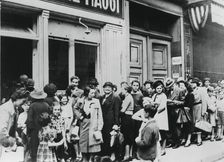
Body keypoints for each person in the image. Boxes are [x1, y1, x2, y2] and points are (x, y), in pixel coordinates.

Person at [74, 86, 103, 162]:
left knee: (93, 141)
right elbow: (75, 108)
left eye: (94, 93)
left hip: (93, 123)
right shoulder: (81, 100)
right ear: (87, 93)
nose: (93, 94)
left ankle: (91, 159)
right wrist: (80, 117)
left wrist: (100, 126)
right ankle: (84, 159)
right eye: (91, 93)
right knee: (83, 141)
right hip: (84, 124)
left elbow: (100, 114)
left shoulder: (96, 101)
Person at [0, 88, 29, 159]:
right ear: (17, 98)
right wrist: (11, 141)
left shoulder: (15, 109)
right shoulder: (5, 109)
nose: (24, 103)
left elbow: (12, 127)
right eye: (23, 101)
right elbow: (2, 129)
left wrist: (16, 137)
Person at [26, 90, 50, 162]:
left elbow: (29, 120)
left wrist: (28, 132)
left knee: (34, 149)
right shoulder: (47, 105)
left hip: (35, 130)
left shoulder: (32, 106)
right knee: (44, 149)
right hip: (45, 130)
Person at [100, 82, 121, 160]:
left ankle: (113, 155)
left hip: (111, 122)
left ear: (112, 89)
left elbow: (117, 112)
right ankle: (105, 156)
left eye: (109, 87)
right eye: (105, 87)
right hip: (103, 122)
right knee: (104, 138)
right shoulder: (101, 97)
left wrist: (116, 123)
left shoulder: (115, 97)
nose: (107, 89)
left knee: (112, 139)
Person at [165, 78, 184, 149]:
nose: (170, 88)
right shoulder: (167, 92)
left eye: (171, 86)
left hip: (176, 110)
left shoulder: (179, 91)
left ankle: (177, 142)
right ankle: (171, 141)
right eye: (168, 87)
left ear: (173, 84)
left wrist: (176, 102)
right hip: (169, 110)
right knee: (170, 127)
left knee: (176, 127)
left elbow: (183, 102)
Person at [151, 80, 168, 156]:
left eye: (160, 88)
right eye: (157, 88)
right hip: (155, 115)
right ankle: (157, 148)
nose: (159, 90)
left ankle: (163, 149)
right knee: (156, 132)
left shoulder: (163, 96)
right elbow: (151, 103)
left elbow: (163, 106)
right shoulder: (154, 95)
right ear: (155, 89)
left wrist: (156, 107)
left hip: (161, 116)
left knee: (162, 132)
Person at [191, 78, 208, 146]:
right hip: (193, 108)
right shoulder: (191, 90)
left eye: (194, 83)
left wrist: (203, 111)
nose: (193, 84)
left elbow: (204, 100)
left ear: (197, 83)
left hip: (199, 106)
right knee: (194, 123)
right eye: (192, 83)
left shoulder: (201, 90)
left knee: (199, 122)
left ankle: (199, 139)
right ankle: (195, 137)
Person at [120, 85, 134, 161]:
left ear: (126, 90)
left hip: (127, 118)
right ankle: (129, 154)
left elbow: (123, 110)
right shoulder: (129, 97)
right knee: (129, 136)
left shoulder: (128, 98)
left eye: (122, 90)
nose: (121, 91)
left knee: (127, 136)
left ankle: (127, 155)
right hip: (128, 118)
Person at [131, 80, 143, 158]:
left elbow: (142, 106)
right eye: (134, 85)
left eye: (137, 85)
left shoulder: (140, 95)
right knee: (132, 133)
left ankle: (138, 152)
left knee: (138, 133)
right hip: (131, 114)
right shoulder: (129, 94)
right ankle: (132, 152)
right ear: (131, 85)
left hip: (138, 114)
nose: (135, 87)